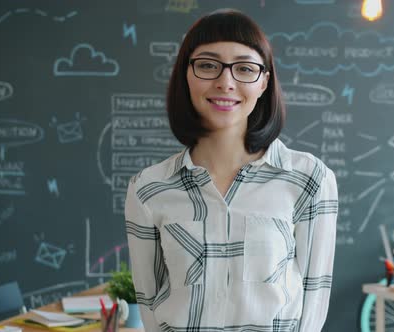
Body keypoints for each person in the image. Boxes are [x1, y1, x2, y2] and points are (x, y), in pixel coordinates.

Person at [125, 9, 338, 332]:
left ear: (264, 81)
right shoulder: (149, 188)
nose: (226, 82)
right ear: (186, 74)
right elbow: (149, 300)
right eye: (208, 65)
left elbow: (314, 300)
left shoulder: (309, 179)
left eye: (244, 68)